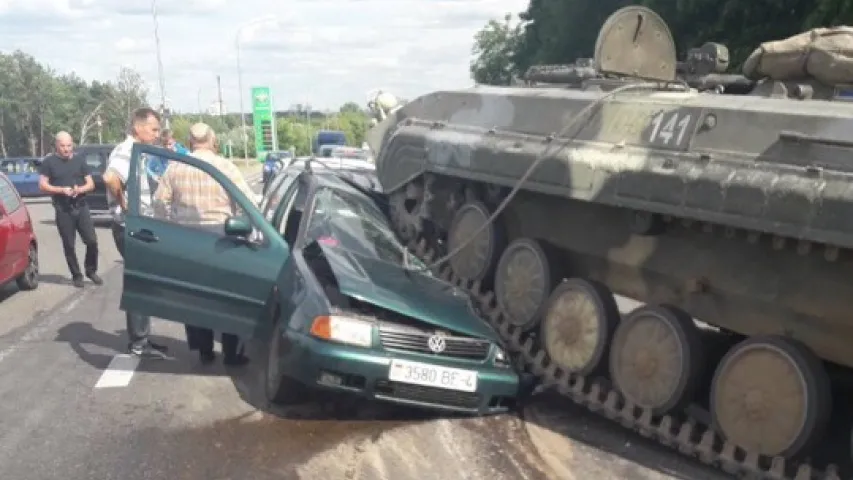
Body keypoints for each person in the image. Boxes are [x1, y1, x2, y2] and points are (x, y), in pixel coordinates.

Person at [153, 122, 254, 366]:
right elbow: (248, 203)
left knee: (195, 299)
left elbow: (159, 202)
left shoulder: (176, 168)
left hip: (188, 243)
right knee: (227, 299)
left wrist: (170, 225)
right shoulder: (226, 167)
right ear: (213, 140)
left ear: (189, 142)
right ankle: (231, 353)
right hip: (223, 239)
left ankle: (204, 350)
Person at [103, 107, 168, 358]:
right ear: (138, 127)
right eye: (153, 129)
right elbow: (110, 178)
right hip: (130, 228)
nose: (157, 133)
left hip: (138, 227)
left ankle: (142, 339)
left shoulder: (139, 152)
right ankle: (139, 343)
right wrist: (124, 203)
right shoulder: (125, 151)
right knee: (139, 282)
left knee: (144, 281)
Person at [38, 131, 102, 288]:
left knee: (92, 241)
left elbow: (91, 184)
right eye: (63, 146)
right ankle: (77, 275)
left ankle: (91, 270)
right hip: (63, 208)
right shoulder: (49, 162)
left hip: (81, 205)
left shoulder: (80, 160)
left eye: (69, 145)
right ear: (57, 146)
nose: (67, 149)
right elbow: (42, 185)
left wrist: (79, 189)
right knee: (69, 244)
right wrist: (61, 190)